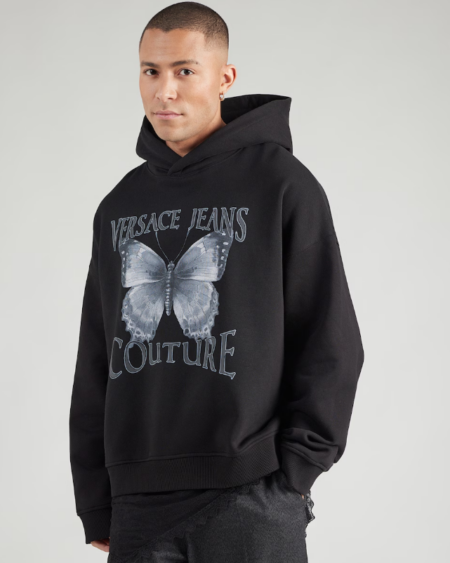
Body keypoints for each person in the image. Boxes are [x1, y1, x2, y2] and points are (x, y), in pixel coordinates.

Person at [69, 2, 365, 561]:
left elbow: (330, 338)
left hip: (250, 496)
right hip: (137, 503)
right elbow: (96, 354)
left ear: (225, 78)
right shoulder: (119, 204)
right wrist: (96, 496)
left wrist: (294, 474)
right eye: (151, 71)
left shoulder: (282, 184)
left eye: (185, 70)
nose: (165, 91)